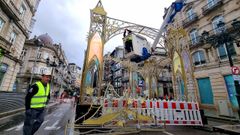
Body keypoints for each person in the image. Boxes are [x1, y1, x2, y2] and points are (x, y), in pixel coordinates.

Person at [23, 70, 51, 135]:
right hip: (32, 109)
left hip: (42, 108)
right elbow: (28, 97)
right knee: (28, 124)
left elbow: (48, 95)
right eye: (46, 77)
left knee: (40, 121)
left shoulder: (48, 86)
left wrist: (47, 100)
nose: (48, 79)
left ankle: (29, 133)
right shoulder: (36, 86)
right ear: (42, 77)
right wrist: (28, 109)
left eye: (49, 77)